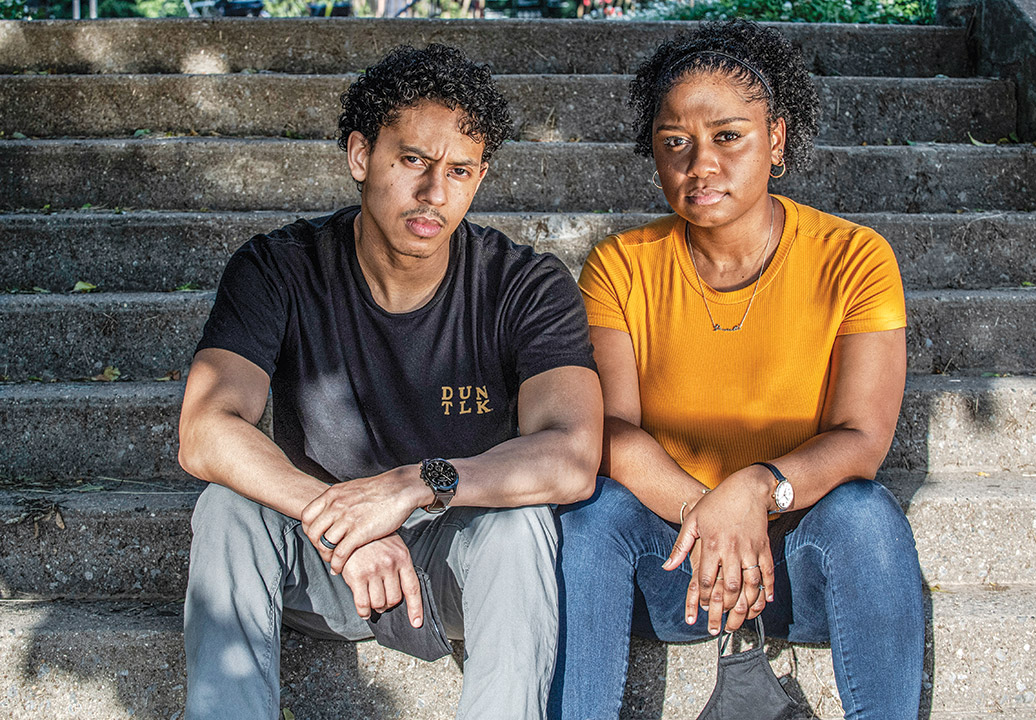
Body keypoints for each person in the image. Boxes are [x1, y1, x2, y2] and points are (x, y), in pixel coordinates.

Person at [178, 43, 602, 720]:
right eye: (412, 161)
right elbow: (204, 431)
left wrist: (409, 487)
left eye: (460, 171)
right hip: (320, 558)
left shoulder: (525, 284)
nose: (435, 193)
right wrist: (345, 520)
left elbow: (573, 455)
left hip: (458, 559)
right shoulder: (277, 267)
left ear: (480, 178)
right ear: (359, 156)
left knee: (522, 525)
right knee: (227, 509)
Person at [550, 19, 923, 720]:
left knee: (866, 516)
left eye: (728, 136)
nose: (700, 164)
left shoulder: (855, 258)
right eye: (674, 144)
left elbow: (861, 438)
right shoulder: (620, 266)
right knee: (591, 512)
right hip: (674, 563)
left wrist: (756, 492)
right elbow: (609, 432)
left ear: (776, 139)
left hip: (796, 562)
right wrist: (707, 513)